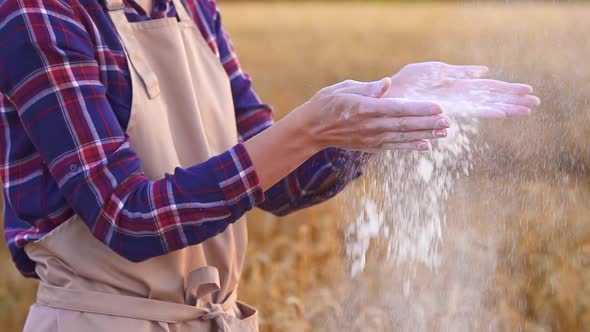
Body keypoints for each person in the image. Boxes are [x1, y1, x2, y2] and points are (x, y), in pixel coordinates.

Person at [0, 0, 540, 331]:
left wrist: (374, 115)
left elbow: (279, 182)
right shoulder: (41, 12)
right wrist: (309, 127)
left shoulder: (192, 8)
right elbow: (127, 216)